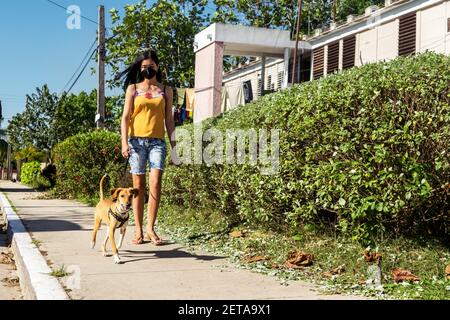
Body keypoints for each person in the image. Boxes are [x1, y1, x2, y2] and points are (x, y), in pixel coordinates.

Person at [117, 50, 176, 245]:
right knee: (138, 186)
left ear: (157, 67)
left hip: (157, 142)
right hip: (136, 142)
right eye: (143, 67)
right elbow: (125, 117)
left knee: (156, 183)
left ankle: (151, 228)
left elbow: (168, 119)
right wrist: (124, 142)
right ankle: (139, 230)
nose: (147, 70)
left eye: (150, 66)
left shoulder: (166, 90)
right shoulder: (133, 89)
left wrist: (174, 144)